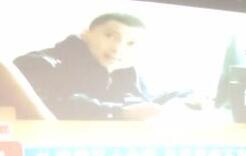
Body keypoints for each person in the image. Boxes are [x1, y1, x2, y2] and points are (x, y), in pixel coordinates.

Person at [14, 13, 165, 120]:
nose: (117, 48)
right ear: (85, 33)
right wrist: (120, 113)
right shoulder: (39, 63)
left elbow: (144, 105)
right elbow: (51, 105)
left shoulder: (129, 74)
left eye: (130, 43)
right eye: (110, 36)